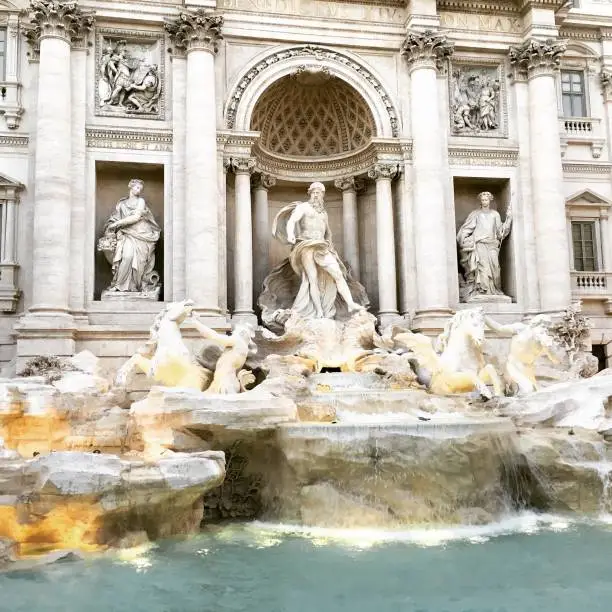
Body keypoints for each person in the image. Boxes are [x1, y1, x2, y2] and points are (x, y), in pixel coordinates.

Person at [273, 182, 363, 319]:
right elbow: (292, 220)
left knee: (338, 273)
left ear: (323, 195)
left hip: (322, 247)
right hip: (306, 245)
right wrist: (290, 234)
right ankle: (319, 311)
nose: (316, 195)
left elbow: (328, 233)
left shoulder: (323, 213)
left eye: (319, 193)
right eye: (314, 192)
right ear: (310, 194)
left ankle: (350, 303)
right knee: (312, 279)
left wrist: (331, 248)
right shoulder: (303, 207)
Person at [98, 179, 161, 293]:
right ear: (131, 187)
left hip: (141, 234)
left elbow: (136, 217)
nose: (139, 190)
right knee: (127, 257)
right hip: (126, 234)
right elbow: (115, 218)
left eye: (140, 189)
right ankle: (119, 285)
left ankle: (134, 287)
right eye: (137, 188)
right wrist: (111, 225)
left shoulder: (141, 201)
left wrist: (117, 224)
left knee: (138, 262)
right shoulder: (122, 204)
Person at [456, 191, 512, 300]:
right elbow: (466, 229)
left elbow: (500, 232)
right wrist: (465, 239)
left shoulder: (495, 214)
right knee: (483, 268)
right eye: (482, 200)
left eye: (486, 199)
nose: (484, 201)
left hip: (492, 245)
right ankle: (483, 290)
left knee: (495, 268)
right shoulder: (475, 214)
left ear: (490, 200)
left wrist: (508, 219)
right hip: (480, 244)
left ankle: (494, 290)